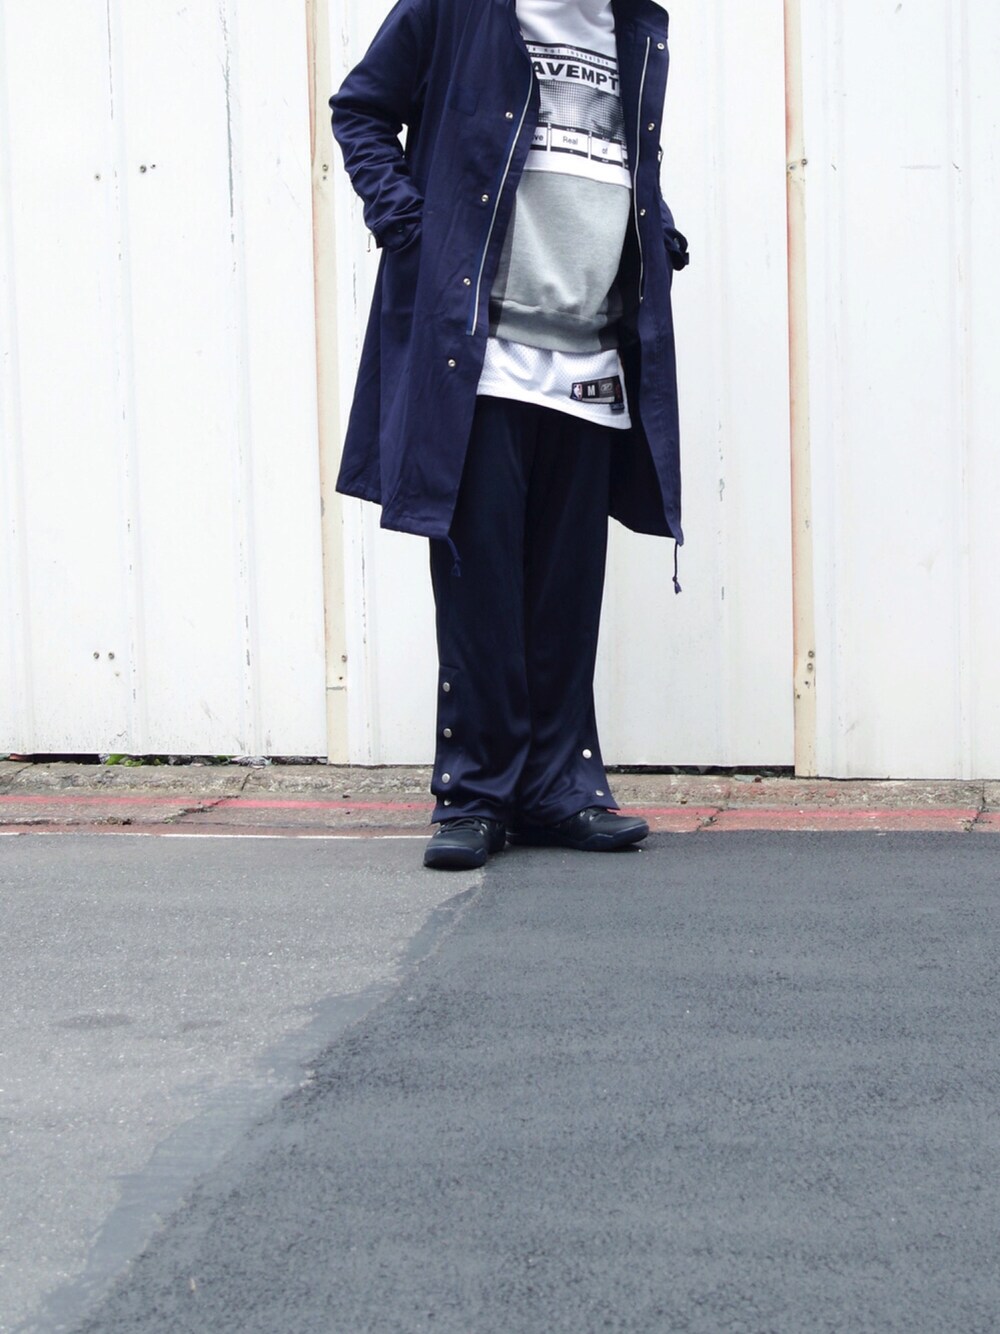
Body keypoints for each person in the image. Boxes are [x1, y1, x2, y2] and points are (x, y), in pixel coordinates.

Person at [331, 0, 689, 870]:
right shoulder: (460, 9)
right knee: (481, 589)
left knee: (566, 596)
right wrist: (405, 221)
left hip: (591, 357)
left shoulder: (633, 25)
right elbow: (362, 108)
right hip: (482, 357)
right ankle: (475, 795)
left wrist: (659, 226)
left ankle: (558, 790)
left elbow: (614, 153)